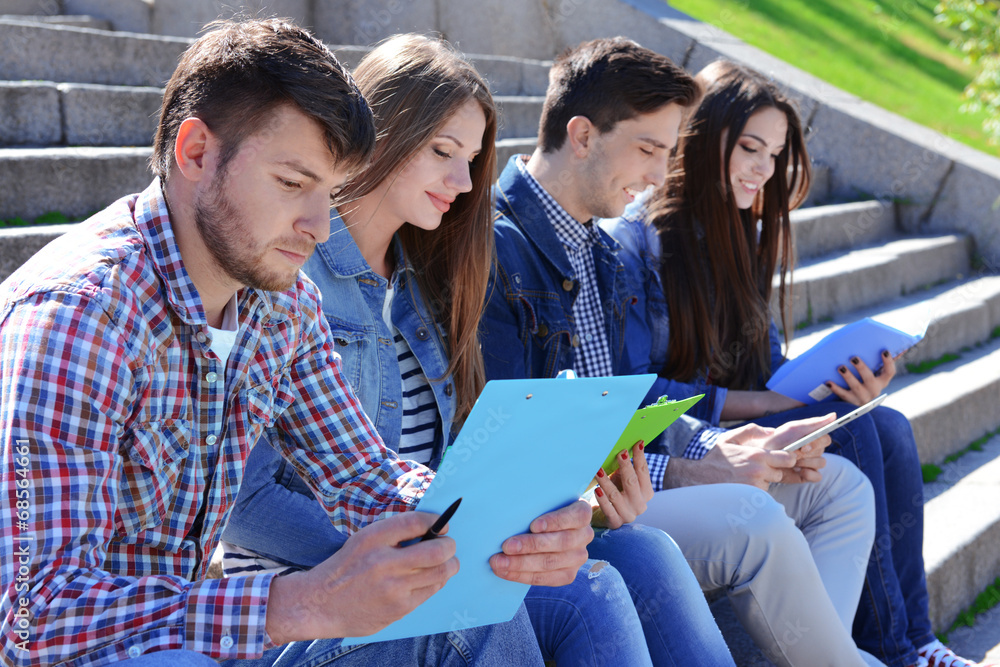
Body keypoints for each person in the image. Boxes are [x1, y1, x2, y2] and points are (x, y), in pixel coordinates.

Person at [0, 19, 592, 667]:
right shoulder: (79, 316)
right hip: (104, 653)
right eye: (292, 183)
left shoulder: (280, 298)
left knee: (481, 613)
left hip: (208, 636)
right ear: (196, 152)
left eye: (329, 191)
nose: (318, 225)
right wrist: (303, 602)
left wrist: (506, 520)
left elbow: (363, 472)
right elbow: (35, 617)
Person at [219, 33, 734, 666]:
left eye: (471, 160)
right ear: (379, 135)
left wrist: (563, 509)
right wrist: (421, 553)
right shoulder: (292, 281)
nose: (464, 183)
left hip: (429, 554)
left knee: (634, 553)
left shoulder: (429, 281)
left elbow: (457, 465)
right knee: (552, 603)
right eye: (443, 152)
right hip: (311, 590)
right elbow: (247, 505)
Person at [479, 37, 883, 667]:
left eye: (667, 153)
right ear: (582, 136)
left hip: (630, 486)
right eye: (647, 149)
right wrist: (696, 469)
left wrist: (719, 445)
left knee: (843, 489)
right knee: (752, 516)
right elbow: (529, 454)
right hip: (576, 512)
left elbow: (628, 394)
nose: (657, 174)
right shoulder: (497, 252)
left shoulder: (598, 249)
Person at [602, 58, 995, 667]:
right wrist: (763, 404)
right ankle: (895, 647)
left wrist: (844, 379)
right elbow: (638, 388)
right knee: (862, 432)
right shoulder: (642, 241)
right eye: (750, 148)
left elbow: (770, 362)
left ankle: (915, 639)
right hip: (689, 441)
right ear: (707, 142)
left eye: (775, 153)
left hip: (747, 423)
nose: (764, 168)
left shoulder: (747, 234)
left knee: (878, 420)